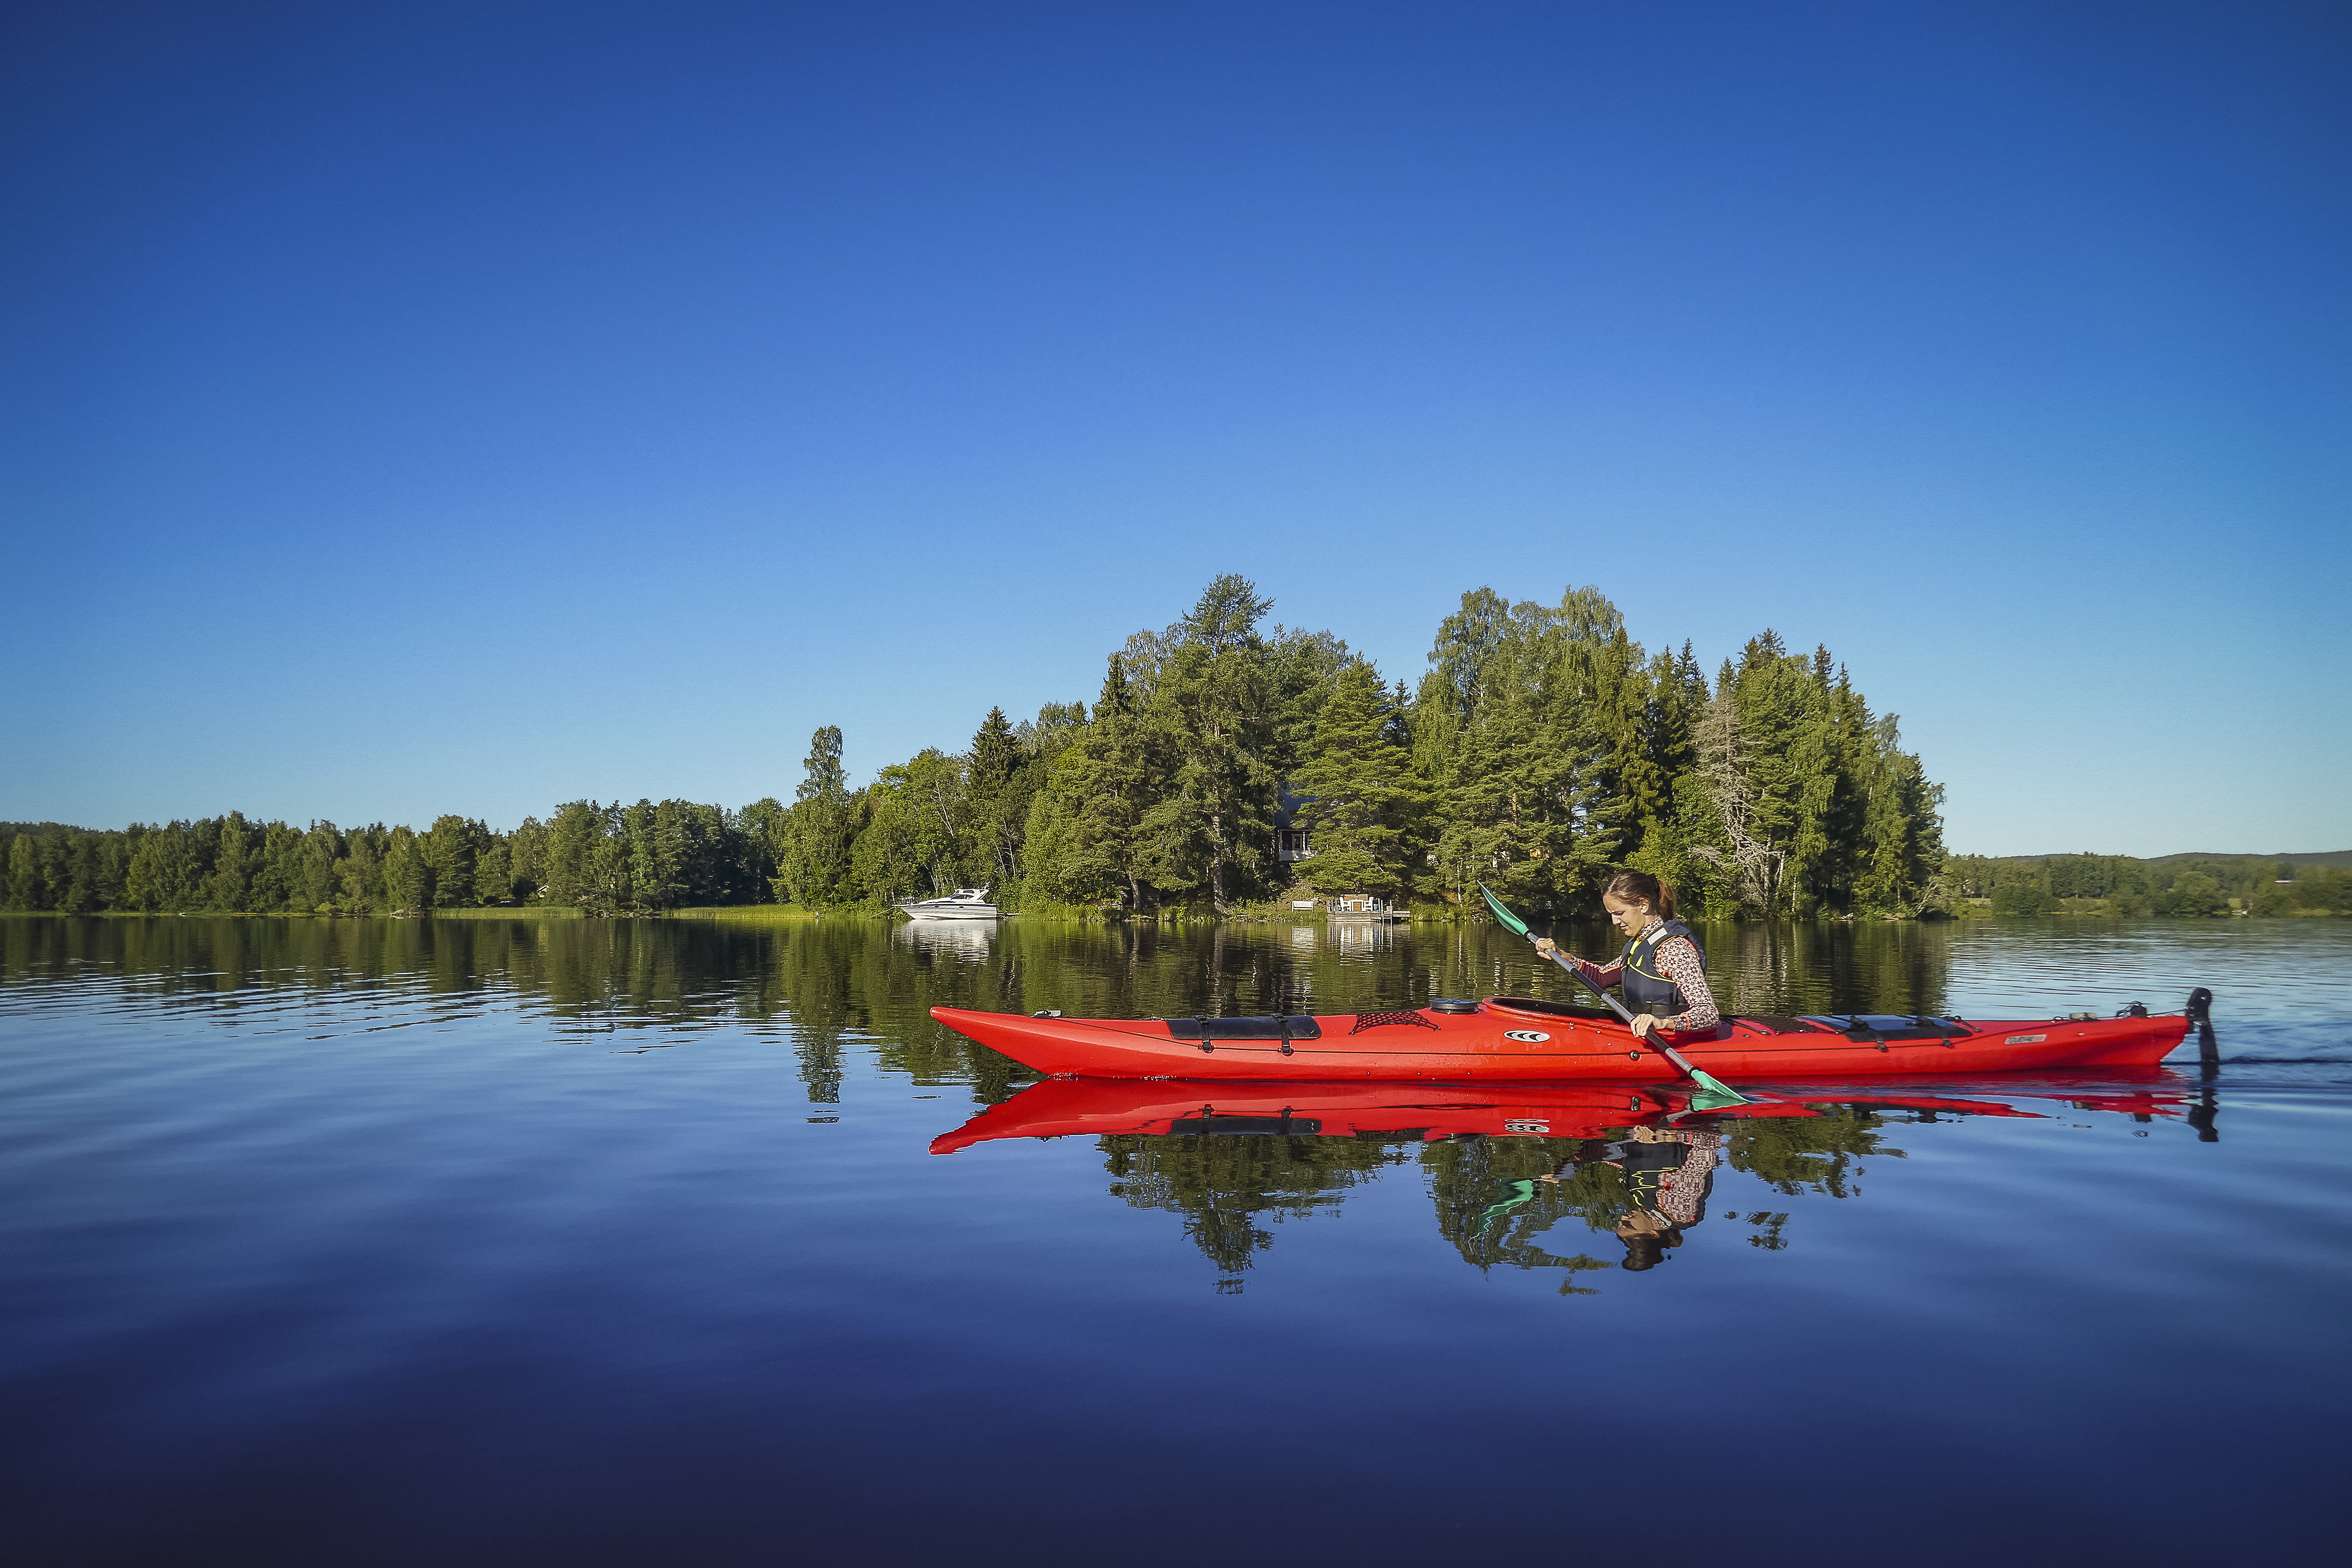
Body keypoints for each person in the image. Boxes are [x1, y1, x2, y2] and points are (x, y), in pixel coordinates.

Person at [1533, 869, 1727, 1045]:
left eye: (1619, 913)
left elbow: (1708, 1014)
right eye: (1611, 914)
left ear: (1643, 905)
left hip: (1670, 1039)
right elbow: (1601, 977)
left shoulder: (1674, 948)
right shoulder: (1638, 945)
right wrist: (1561, 955)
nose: (1614, 922)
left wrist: (1663, 1022)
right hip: (1637, 1033)